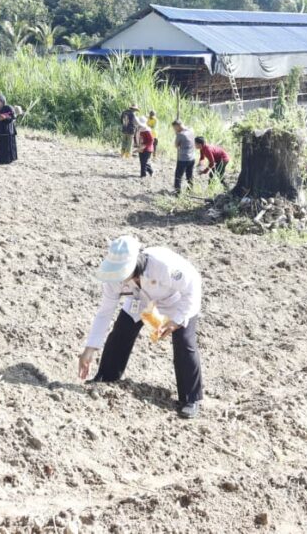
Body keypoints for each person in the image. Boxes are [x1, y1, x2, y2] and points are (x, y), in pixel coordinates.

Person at [78, 236, 204, 419]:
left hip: (177, 300)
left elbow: (192, 287)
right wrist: (89, 349)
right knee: (121, 331)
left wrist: (177, 319)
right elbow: (105, 312)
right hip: (140, 300)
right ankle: (106, 377)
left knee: (184, 342)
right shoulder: (114, 280)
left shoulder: (162, 265)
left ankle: (190, 399)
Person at [172, 120, 196, 195]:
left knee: (178, 176)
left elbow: (176, 145)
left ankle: (177, 193)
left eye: (174, 128)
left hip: (183, 159)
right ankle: (190, 190)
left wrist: (177, 134)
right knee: (189, 175)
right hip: (192, 157)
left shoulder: (180, 135)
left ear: (177, 126)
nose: (174, 130)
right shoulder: (191, 130)